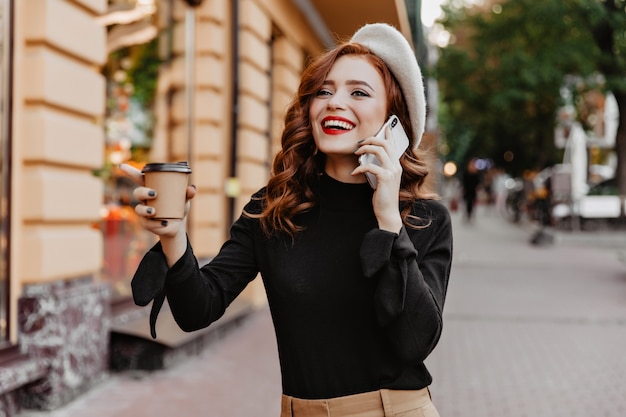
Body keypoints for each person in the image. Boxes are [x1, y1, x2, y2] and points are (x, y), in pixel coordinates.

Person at [121, 23, 452, 417]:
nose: (334, 102)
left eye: (358, 92)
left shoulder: (424, 219)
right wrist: (174, 236)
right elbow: (198, 310)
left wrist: (387, 220)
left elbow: (416, 342)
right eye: (323, 92)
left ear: (393, 121)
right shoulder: (274, 210)